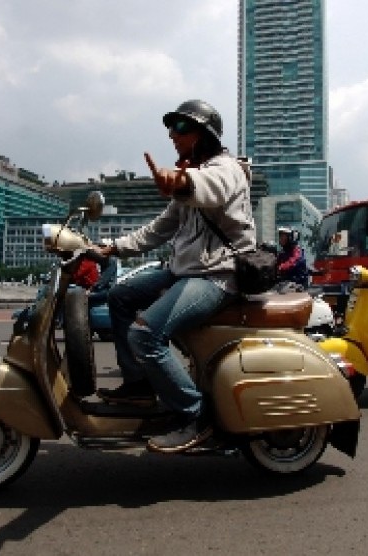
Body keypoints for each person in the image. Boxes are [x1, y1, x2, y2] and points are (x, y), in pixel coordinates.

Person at [93, 99, 256, 453]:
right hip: (183, 271)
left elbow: (207, 186)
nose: (172, 135)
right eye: (171, 128)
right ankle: (138, 385)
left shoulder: (226, 169)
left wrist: (179, 180)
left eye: (182, 128)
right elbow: (157, 230)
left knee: (145, 334)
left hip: (216, 276)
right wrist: (110, 248)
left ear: (205, 134)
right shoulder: (194, 175)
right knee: (119, 296)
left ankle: (194, 416)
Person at [275, 226, 309, 291]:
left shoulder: (297, 251)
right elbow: (276, 263)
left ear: (292, 237)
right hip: (285, 283)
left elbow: (294, 261)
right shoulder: (282, 252)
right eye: (280, 236)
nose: (280, 239)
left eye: (283, 236)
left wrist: (280, 267)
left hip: (298, 284)